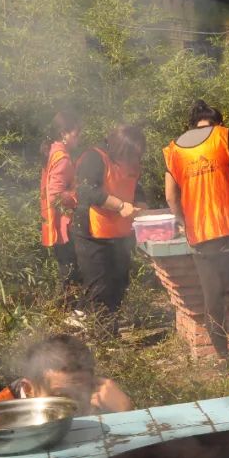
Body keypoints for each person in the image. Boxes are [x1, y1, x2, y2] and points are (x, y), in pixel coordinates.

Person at [164, 100, 229, 367]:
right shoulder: (227, 136)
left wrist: (184, 220)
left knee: (213, 296)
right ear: (216, 120)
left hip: (200, 234)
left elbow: (171, 197)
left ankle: (222, 359)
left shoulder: (174, 149)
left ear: (192, 123)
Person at [0, 334, 132, 429]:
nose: (76, 406)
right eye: (62, 397)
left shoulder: (100, 398)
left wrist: (127, 413)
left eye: (84, 392)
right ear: (28, 389)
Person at [72, 124, 147, 318]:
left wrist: (141, 204)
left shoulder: (131, 161)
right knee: (100, 287)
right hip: (93, 234)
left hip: (121, 235)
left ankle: (110, 331)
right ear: (120, 148)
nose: (134, 158)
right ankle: (103, 339)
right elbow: (86, 191)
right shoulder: (94, 158)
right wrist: (121, 206)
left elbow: (135, 186)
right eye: (131, 153)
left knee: (119, 283)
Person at [40, 110, 82, 292]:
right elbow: (55, 194)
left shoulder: (53, 150)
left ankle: (64, 311)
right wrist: (75, 196)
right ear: (63, 133)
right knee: (69, 269)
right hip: (62, 223)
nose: (78, 139)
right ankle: (67, 310)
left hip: (54, 219)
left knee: (67, 268)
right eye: (76, 134)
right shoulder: (62, 158)